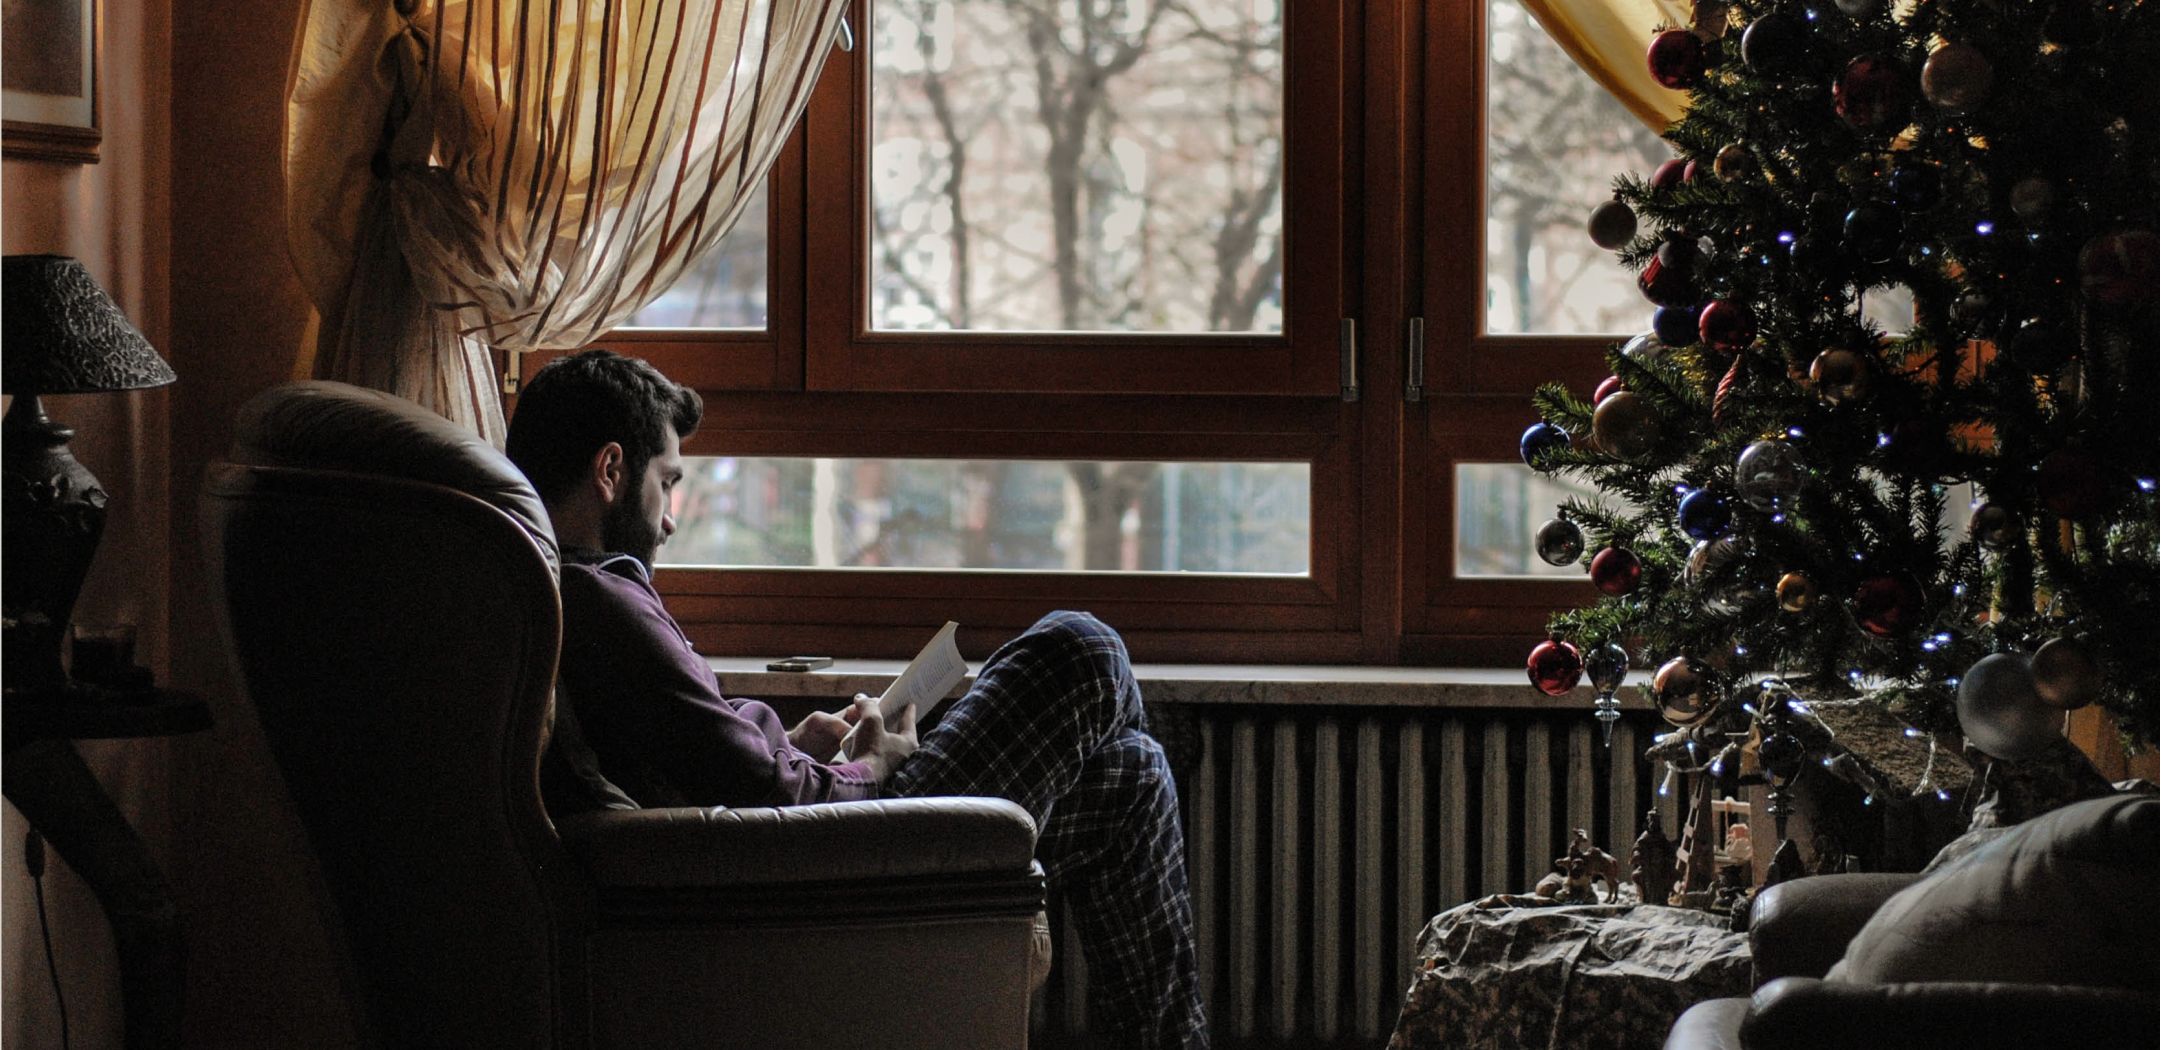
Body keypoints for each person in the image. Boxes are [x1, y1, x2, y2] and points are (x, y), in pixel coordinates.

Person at [504, 349, 1207, 1049]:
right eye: (667, 481)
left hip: (802, 841)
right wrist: (870, 766)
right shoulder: (599, 601)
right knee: (1079, 648)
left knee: (1130, 776)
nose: (669, 520)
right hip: (825, 862)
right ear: (610, 470)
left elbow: (708, 755)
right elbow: (753, 787)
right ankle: (1143, 725)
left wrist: (789, 740)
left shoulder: (571, 598)